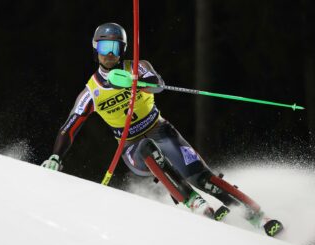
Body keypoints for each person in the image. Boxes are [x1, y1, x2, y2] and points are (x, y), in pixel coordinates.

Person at [42, 22, 237, 220]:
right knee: (147, 149)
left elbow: (157, 84)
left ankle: (237, 204)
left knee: (196, 172)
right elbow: (69, 127)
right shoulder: (91, 92)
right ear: (95, 49)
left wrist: (136, 82)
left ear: (123, 49)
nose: (109, 54)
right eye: (104, 47)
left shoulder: (137, 67)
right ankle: (193, 200)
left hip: (160, 130)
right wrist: (56, 156)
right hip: (131, 147)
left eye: (115, 48)